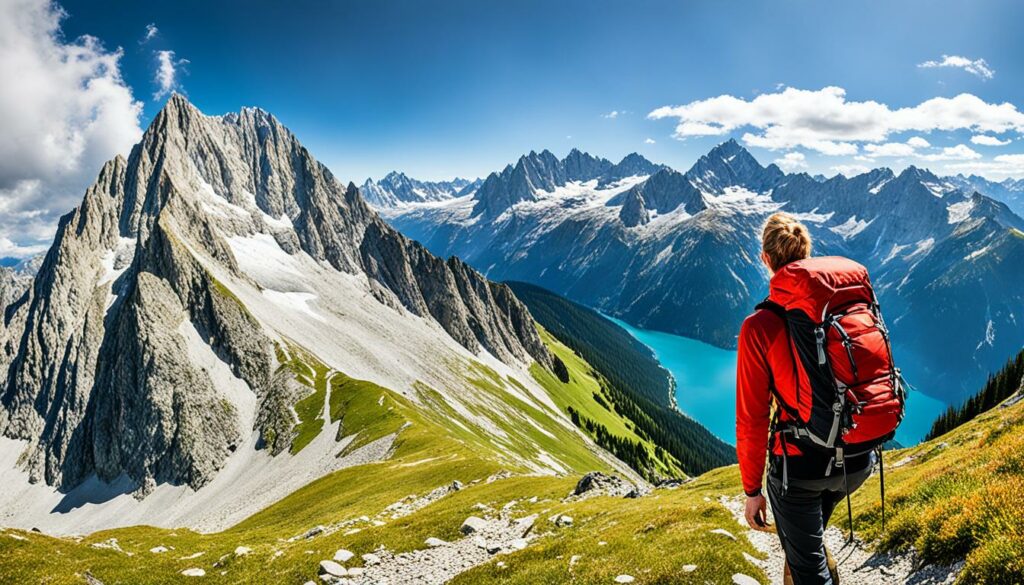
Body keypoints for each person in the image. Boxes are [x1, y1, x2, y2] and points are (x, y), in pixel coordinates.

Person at [736, 212, 875, 585]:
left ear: (765, 259)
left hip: (800, 469)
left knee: (806, 563)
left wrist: (752, 491)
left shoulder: (758, 327)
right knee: (804, 545)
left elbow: (752, 419)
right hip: (857, 459)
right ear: (807, 254)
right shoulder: (840, 308)